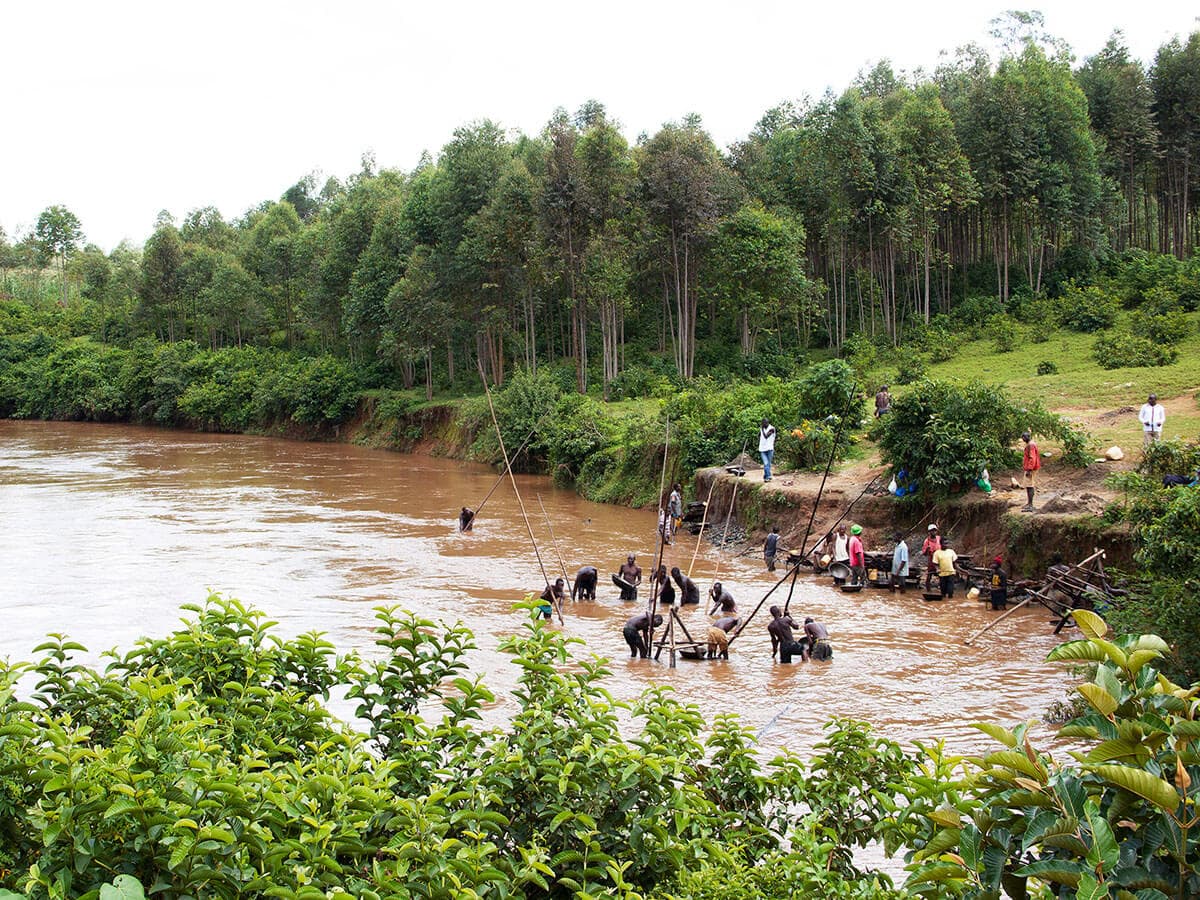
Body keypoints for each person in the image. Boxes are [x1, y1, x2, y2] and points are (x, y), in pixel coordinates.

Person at [1021, 431, 1040, 512]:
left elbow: (1032, 458)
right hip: (1030, 468)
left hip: (1031, 468)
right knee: (1028, 485)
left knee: (1030, 486)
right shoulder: (1031, 444)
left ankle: (1030, 505)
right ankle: (1029, 503)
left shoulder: (1030, 445)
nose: (1023, 439)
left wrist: (1029, 469)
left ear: (1028, 437)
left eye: (1024, 437)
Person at [921, 524, 941, 590]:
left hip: (940, 560)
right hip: (931, 561)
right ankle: (928, 590)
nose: (933, 532)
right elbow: (924, 553)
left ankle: (941, 589)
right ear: (929, 532)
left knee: (941, 575)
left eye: (934, 530)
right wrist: (927, 550)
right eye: (932, 531)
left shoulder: (939, 538)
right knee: (929, 575)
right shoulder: (927, 541)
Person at [759, 417, 777, 482]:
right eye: (763, 423)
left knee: (768, 464)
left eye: (765, 423)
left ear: (767, 423)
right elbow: (760, 436)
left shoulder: (772, 429)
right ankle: (768, 477)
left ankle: (766, 476)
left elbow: (766, 436)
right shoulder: (762, 429)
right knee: (766, 463)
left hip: (769, 448)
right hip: (762, 449)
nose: (764, 424)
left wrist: (762, 429)